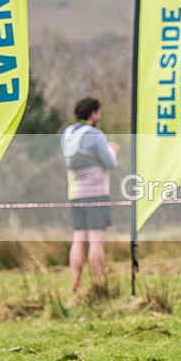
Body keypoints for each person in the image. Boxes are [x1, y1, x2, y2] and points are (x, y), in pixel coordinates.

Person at [61, 97, 119, 293]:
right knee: (96, 241)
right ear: (93, 113)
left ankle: (76, 283)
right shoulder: (95, 135)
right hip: (96, 194)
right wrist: (111, 150)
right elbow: (110, 163)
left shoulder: (67, 134)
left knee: (78, 240)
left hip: (75, 194)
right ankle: (98, 283)